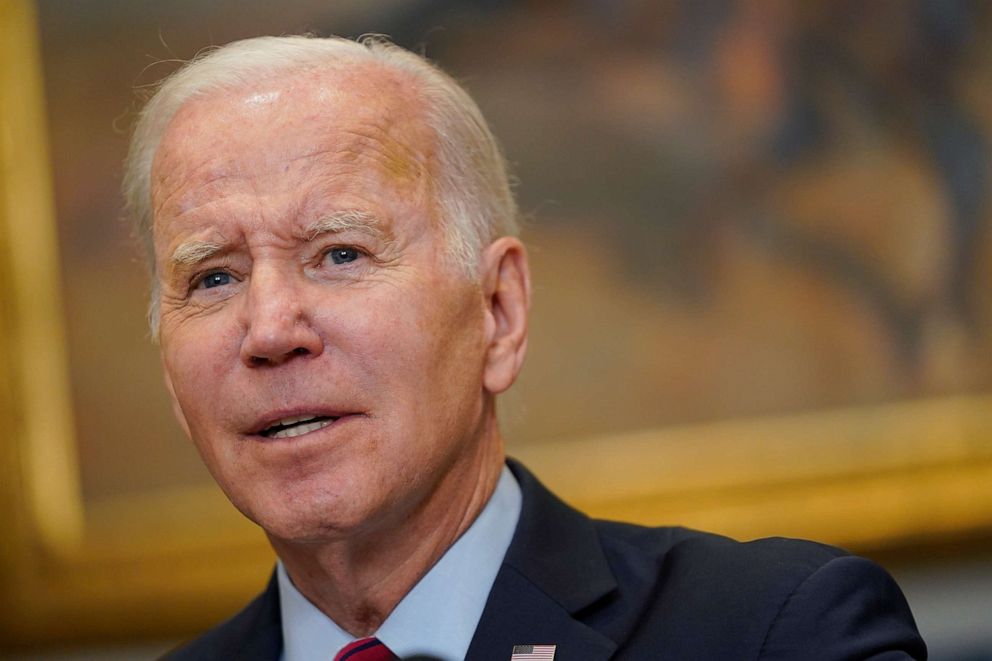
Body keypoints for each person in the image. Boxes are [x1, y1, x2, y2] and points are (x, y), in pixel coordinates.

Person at [123, 35, 926, 660]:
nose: (268, 330)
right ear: (169, 370)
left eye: (340, 254)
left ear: (499, 311)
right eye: (213, 278)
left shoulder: (776, 634)